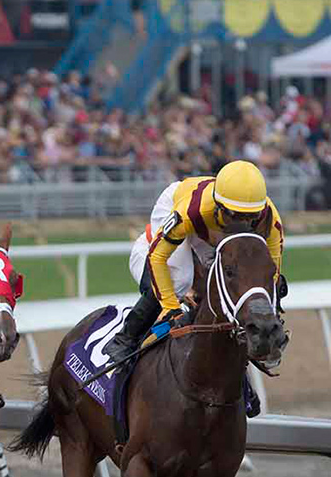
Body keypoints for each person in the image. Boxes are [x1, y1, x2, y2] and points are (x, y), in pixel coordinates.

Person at [103, 160, 284, 416]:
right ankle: (126, 337)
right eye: (234, 215)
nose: (242, 223)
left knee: (227, 297)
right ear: (220, 207)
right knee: (181, 280)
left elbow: (272, 273)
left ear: (261, 211)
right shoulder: (190, 211)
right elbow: (157, 258)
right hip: (177, 205)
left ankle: (240, 380)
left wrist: (270, 317)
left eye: (250, 218)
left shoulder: (270, 220)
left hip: (210, 229)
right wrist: (170, 308)